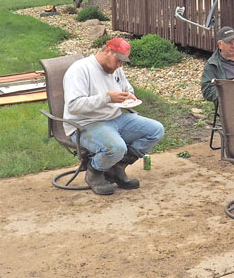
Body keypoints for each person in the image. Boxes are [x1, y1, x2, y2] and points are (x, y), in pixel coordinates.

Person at [62, 38, 165, 195]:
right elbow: (73, 106)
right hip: (85, 124)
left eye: (123, 62)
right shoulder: (80, 70)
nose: (120, 65)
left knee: (156, 130)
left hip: (115, 118)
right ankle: (94, 172)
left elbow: (126, 87)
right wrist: (107, 98)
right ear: (107, 51)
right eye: (118, 60)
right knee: (117, 147)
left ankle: (116, 168)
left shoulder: (116, 69)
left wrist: (129, 95)